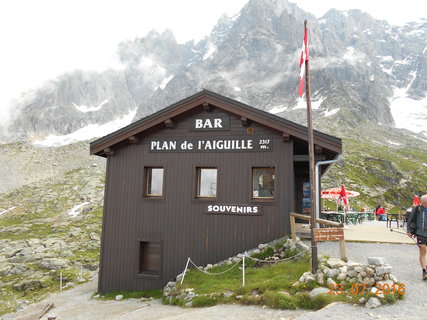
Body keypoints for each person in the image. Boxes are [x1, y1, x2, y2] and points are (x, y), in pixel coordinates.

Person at [407, 194, 427, 280]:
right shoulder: (417, 208)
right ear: (421, 202)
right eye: (425, 203)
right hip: (420, 233)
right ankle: (424, 271)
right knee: (423, 250)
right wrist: (409, 230)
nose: (426, 204)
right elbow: (410, 219)